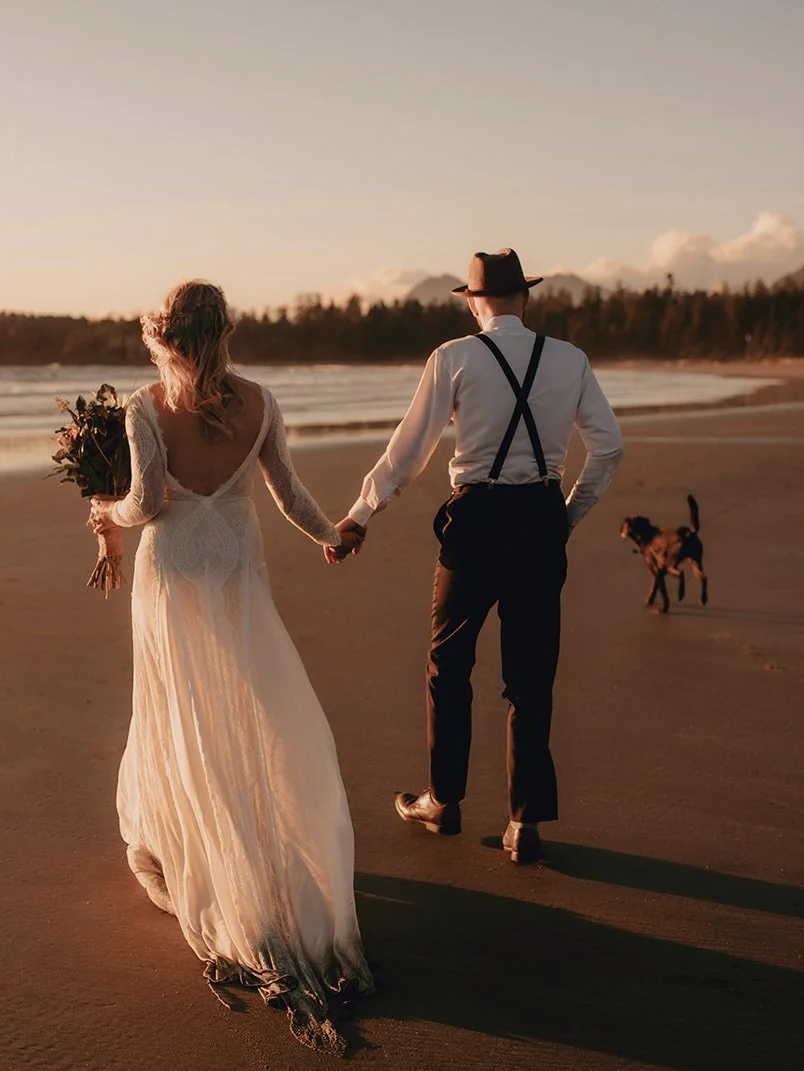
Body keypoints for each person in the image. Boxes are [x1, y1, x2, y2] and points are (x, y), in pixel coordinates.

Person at [87, 280, 371, 1055]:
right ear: (226, 333)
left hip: (173, 576)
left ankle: (214, 863)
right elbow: (288, 491)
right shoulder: (261, 400)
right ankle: (258, 852)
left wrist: (104, 512)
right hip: (239, 575)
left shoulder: (147, 406)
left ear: (168, 339)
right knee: (249, 709)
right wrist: (330, 533)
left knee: (186, 717)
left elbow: (146, 501)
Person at [332, 248, 624, 864]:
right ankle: (524, 823)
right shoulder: (569, 358)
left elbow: (408, 452)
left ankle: (443, 801)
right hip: (541, 518)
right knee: (531, 675)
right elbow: (608, 447)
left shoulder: (455, 357)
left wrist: (361, 514)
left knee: (449, 665)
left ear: (472, 301)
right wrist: (567, 514)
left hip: (478, 520)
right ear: (528, 298)